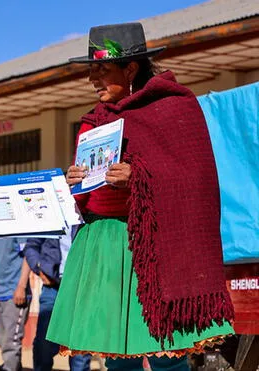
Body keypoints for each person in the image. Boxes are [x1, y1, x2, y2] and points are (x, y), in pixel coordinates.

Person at [46, 22, 234, 370]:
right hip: (105, 245)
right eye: (91, 70)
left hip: (154, 246)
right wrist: (73, 181)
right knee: (117, 357)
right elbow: (89, 196)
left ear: (130, 68)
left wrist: (140, 178)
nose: (93, 79)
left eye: (103, 69)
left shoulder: (173, 109)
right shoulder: (94, 120)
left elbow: (196, 177)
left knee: (165, 351)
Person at [24, 235, 91, 371]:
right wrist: (39, 267)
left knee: (80, 345)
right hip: (52, 286)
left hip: (81, 287)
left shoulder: (86, 216)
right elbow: (31, 247)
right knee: (44, 342)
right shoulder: (49, 216)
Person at [0, 238, 32, 371]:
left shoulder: (17, 224)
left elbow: (28, 254)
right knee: (3, 343)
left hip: (14, 293)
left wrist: (21, 286)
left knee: (11, 344)